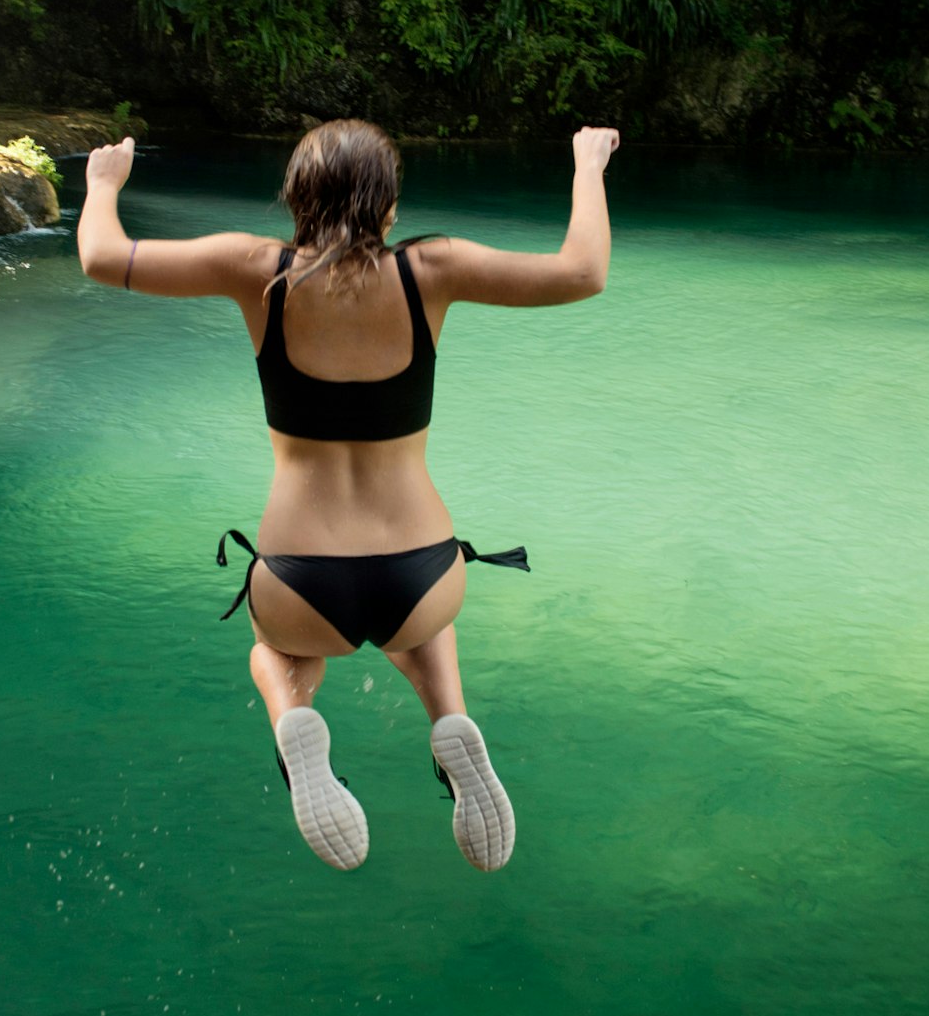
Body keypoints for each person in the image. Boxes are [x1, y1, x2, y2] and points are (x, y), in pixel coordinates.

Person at [77, 120, 615, 872]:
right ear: (388, 208)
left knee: (276, 650)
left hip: (302, 579)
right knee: (422, 630)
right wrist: (587, 165)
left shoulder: (253, 268)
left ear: (296, 199)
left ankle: (296, 715)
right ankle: (450, 718)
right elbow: (584, 271)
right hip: (423, 573)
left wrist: (105, 183)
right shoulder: (431, 267)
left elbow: (101, 256)